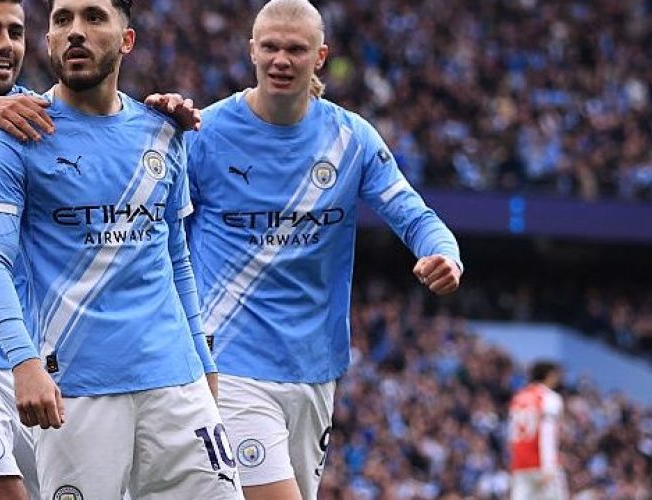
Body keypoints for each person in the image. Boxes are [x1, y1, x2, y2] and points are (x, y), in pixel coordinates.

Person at [0, 1, 198, 498]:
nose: (6, 44)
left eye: (15, 32)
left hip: (34, 354)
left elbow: (99, 129)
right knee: (1, 489)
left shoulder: (36, 117)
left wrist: (156, 111)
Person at [183, 1, 463, 499]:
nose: (281, 60)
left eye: (295, 49)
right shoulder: (206, 135)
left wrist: (444, 252)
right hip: (229, 361)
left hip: (316, 367)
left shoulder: (350, 139)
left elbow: (413, 214)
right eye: (270, 47)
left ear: (320, 56)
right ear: (252, 50)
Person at [0, 1, 240, 498]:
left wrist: (205, 363)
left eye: (94, 18)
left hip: (176, 383)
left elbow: (177, 259)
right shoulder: (15, 135)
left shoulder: (162, 131)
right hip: (74, 390)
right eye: (62, 20)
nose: (76, 32)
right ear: (48, 39)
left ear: (126, 39)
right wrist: (23, 362)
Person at [509, 361, 567, 500]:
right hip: (541, 462)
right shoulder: (550, 398)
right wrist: (548, 466)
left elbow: (511, 433)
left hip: (520, 464)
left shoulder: (518, 398)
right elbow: (547, 431)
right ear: (549, 376)